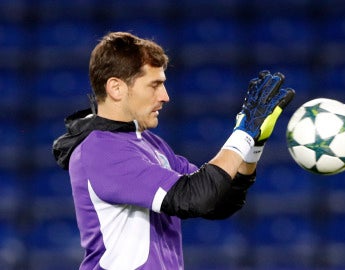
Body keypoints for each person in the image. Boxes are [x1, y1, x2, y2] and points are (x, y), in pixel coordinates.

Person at [52, 31, 295, 270]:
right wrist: (243, 133)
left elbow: (219, 200)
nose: (165, 96)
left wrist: (254, 143)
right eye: (154, 85)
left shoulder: (151, 144)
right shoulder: (100, 150)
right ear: (116, 88)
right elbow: (196, 197)